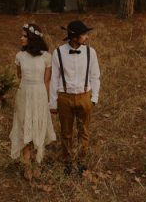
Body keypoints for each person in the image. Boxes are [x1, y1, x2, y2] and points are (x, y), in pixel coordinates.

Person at [49, 20, 101, 175]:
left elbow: (95, 76)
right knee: (66, 131)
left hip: (85, 96)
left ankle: (81, 160)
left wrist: (94, 98)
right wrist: (52, 102)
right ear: (73, 37)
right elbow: (54, 78)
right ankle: (67, 161)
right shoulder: (58, 53)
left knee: (83, 131)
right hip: (64, 97)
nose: (86, 37)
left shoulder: (91, 53)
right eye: (84, 34)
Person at [10, 23, 56, 180]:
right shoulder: (19, 56)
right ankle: (27, 165)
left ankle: (38, 162)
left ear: (32, 38)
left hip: (40, 94)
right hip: (24, 94)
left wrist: (48, 100)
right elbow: (19, 76)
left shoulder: (46, 57)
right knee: (24, 127)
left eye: (24, 36)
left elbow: (47, 81)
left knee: (38, 125)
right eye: (21, 35)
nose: (21, 38)